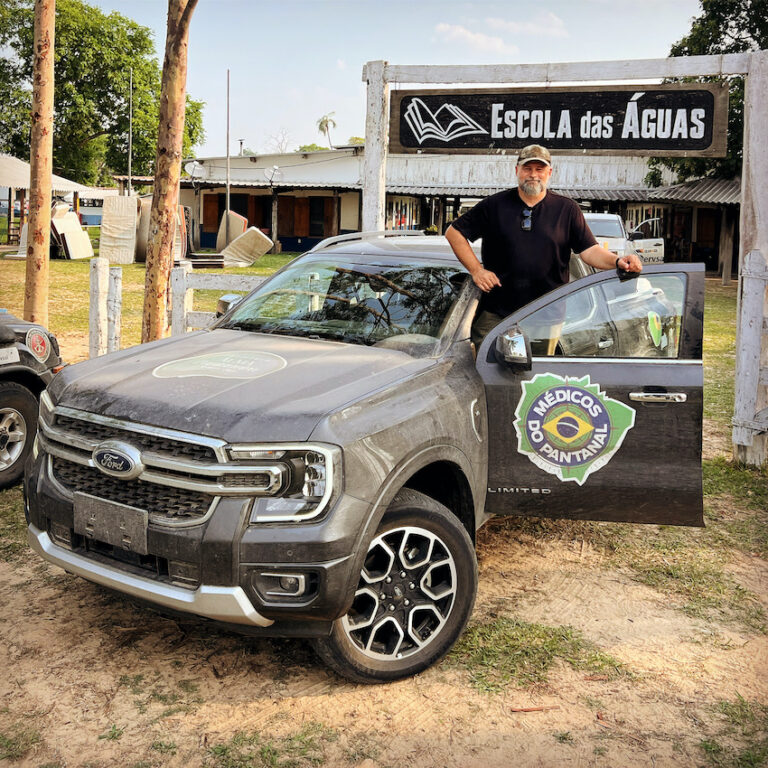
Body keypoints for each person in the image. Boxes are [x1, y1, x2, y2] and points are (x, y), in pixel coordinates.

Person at [446, 144, 643, 350]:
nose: (533, 175)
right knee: (485, 376)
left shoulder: (567, 210)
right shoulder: (494, 206)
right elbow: (454, 233)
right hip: (496, 314)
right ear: (517, 171)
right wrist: (476, 270)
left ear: (549, 172)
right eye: (527, 168)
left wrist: (617, 261)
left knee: (534, 379)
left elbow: (589, 250)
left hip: (545, 316)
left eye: (539, 169)